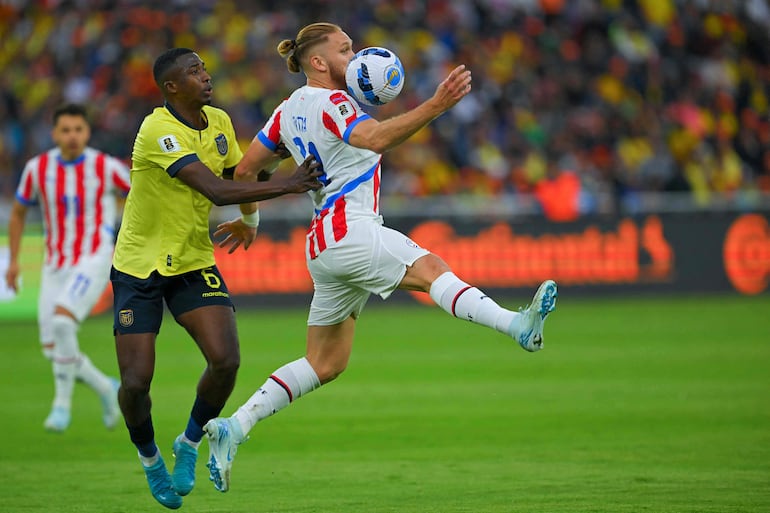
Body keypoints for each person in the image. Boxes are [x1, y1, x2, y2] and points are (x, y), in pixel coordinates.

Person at [203, 22, 559, 493]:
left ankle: (235, 426)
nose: (355, 55)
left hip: (323, 246)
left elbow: (247, 170)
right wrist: (436, 105)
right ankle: (518, 326)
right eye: (345, 49)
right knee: (432, 270)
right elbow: (374, 139)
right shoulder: (334, 103)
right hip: (352, 230)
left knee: (325, 363)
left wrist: (250, 221)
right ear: (318, 62)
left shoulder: (287, 110)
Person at [111, 47, 322, 510]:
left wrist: (253, 218)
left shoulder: (221, 122)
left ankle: (188, 443)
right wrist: (289, 183)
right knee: (136, 383)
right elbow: (215, 188)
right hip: (139, 266)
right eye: (193, 71)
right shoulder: (158, 130)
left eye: (204, 67)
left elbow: (241, 174)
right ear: (171, 87)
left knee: (226, 360)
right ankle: (149, 459)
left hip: (192, 261)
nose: (206, 75)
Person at [5, 103, 128, 433]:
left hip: (94, 256)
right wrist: (14, 260)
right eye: (66, 130)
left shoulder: (105, 166)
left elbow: (140, 196)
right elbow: (17, 213)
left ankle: (61, 407)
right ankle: (106, 388)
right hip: (54, 264)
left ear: (87, 132)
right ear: (54, 133)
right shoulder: (37, 168)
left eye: (78, 130)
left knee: (62, 322)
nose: (72, 136)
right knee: (54, 348)